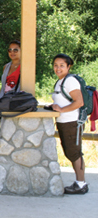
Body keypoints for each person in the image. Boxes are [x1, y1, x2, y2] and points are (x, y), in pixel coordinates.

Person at [51, 53, 88, 194]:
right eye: (55, 65)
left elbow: (79, 102)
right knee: (71, 152)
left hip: (71, 122)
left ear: (68, 66)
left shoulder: (70, 81)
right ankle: (80, 182)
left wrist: (61, 109)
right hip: (64, 122)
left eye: (61, 65)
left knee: (74, 152)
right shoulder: (61, 81)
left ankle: (81, 184)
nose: (58, 68)